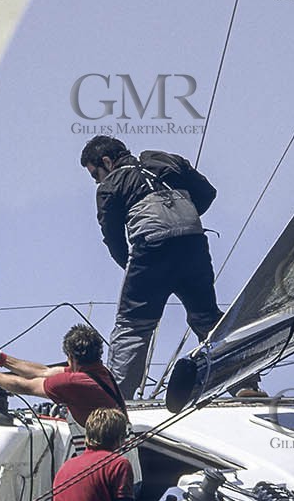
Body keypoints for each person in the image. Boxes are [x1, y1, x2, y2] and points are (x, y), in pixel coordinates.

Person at [81, 136, 221, 399]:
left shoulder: (110, 185)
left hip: (151, 251)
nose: (97, 181)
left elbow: (112, 236)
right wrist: (182, 218)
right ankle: (243, 383)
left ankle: (116, 401)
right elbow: (207, 193)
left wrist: (132, 266)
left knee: (133, 326)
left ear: (107, 162)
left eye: (94, 174)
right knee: (207, 318)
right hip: (194, 244)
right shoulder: (166, 160)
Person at [0, 323, 126, 423]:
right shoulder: (100, 373)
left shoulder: (73, 383)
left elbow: (28, 387)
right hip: (121, 448)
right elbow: (44, 372)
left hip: (107, 456)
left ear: (71, 358)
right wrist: (1, 358)